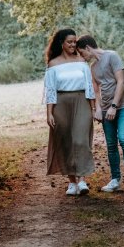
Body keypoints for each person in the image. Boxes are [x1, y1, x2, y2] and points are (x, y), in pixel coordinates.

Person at [76, 35, 124, 193]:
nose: (82, 57)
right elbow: (96, 90)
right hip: (105, 109)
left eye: (81, 52)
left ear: (88, 48)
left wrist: (113, 106)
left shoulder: (112, 56)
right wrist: (98, 109)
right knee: (111, 145)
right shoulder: (93, 67)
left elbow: (121, 82)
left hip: (122, 106)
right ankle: (115, 180)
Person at [43, 28, 96, 196]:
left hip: (82, 101)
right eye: (70, 42)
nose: (73, 44)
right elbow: (50, 90)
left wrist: (93, 108)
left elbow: (89, 86)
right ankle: (72, 182)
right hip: (61, 103)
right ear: (62, 43)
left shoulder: (81, 61)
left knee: (81, 140)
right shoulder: (53, 64)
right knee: (66, 141)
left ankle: (82, 181)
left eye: (75, 41)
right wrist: (49, 113)